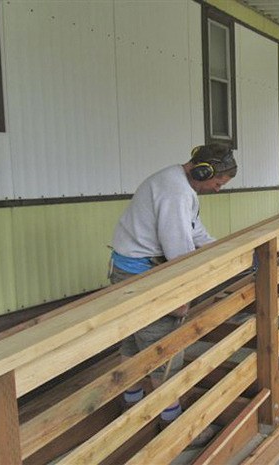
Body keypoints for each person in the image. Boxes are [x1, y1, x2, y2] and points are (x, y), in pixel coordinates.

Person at [109, 143, 237, 433]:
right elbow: (179, 253)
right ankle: (174, 426)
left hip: (127, 272)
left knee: (133, 342)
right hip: (144, 277)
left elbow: (194, 231)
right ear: (204, 171)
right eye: (218, 183)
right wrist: (183, 296)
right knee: (164, 350)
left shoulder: (177, 182)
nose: (218, 189)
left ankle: (132, 402)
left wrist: (225, 250)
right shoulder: (176, 192)